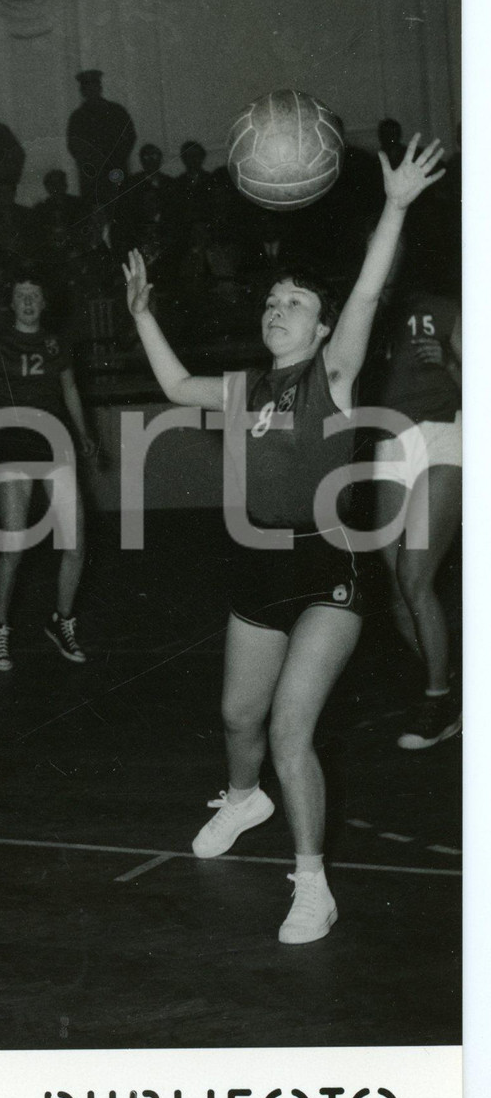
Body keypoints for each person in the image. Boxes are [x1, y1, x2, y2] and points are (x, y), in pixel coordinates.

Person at [123, 134, 444, 945]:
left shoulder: (333, 373)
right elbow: (170, 385)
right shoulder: (243, 387)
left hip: (329, 565)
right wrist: (142, 314)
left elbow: (369, 294)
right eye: (271, 303)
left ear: (322, 324)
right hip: (256, 565)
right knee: (238, 719)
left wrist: (397, 206)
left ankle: (311, 883)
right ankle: (244, 797)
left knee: (292, 726)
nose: (276, 310)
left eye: (293, 303)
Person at [0, 270, 96, 672]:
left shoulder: (57, 343)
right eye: (20, 295)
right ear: (11, 302)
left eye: (34, 295)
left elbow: (70, 390)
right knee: (14, 545)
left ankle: (61, 620)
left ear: (44, 303)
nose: (27, 302)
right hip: (14, 445)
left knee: (75, 541)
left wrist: (84, 434)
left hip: (55, 442)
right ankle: (0, 628)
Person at [373, 284, 461, 750]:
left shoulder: (446, 307)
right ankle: (451, 678)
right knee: (397, 589)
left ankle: (439, 699)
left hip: (445, 433)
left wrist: (450, 363)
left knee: (415, 575)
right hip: (392, 440)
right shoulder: (368, 316)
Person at [65, 70, 136, 208]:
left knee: (121, 207)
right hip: (92, 176)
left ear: (100, 88)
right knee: (93, 210)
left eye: (94, 86)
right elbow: (74, 146)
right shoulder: (77, 117)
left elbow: (129, 137)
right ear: (82, 91)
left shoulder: (117, 111)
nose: (91, 91)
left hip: (115, 168)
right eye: (87, 88)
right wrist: (94, 162)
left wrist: (113, 159)